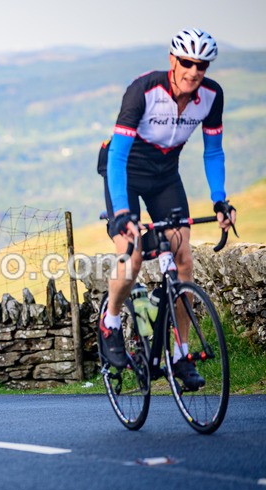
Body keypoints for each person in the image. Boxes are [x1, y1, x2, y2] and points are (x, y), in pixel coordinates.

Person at [97, 28, 236, 389]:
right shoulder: (143, 91)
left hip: (164, 177)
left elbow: (214, 151)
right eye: (187, 62)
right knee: (133, 255)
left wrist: (220, 199)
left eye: (201, 65)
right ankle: (110, 323)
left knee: (183, 259)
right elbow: (117, 156)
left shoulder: (211, 96)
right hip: (124, 171)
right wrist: (124, 214)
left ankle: (180, 355)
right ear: (172, 60)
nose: (193, 71)